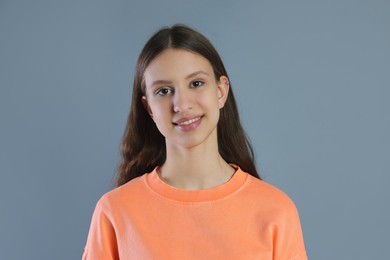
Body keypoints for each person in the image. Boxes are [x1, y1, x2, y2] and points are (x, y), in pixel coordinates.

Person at [82, 25, 307, 260]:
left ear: (220, 91)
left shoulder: (275, 210)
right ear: (148, 107)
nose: (182, 104)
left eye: (196, 83)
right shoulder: (115, 211)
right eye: (164, 90)